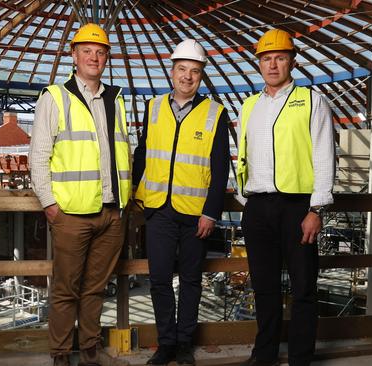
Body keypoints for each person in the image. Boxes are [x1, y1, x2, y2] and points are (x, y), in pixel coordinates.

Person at [29, 23, 131, 366]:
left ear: (106, 59)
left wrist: (123, 205)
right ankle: (60, 352)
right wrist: (50, 204)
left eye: (100, 52)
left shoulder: (116, 100)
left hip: (111, 214)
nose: (94, 57)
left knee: (95, 289)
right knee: (65, 290)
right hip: (71, 214)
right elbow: (39, 156)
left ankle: (89, 347)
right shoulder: (55, 97)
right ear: (73, 55)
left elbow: (123, 154)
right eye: (86, 50)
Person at [236, 28, 335, 366]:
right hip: (257, 207)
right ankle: (263, 355)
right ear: (259, 64)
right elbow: (242, 157)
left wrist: (316, 208)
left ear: (292, 60)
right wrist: (244, 201)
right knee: (264, 288)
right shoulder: (249, 106)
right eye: (266, 58)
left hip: (298, 208)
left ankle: (300, 359)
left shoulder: (312, 101)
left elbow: (324, 157)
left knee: (303, 288)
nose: (272, 64)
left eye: (279, 57)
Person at [133, 39, 230, 366]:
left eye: (194, 71)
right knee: (159, 279)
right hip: (158, 210)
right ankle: (166, 344)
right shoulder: (153, 107)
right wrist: (135, 194)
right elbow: (141, 155)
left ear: (201, 76)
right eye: (182, 70)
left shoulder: (215, 113)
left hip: (195, 215)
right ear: (172, 72)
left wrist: (211, 213)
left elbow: (220, 169)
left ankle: (185, 343)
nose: (187, 76)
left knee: (191, 281)